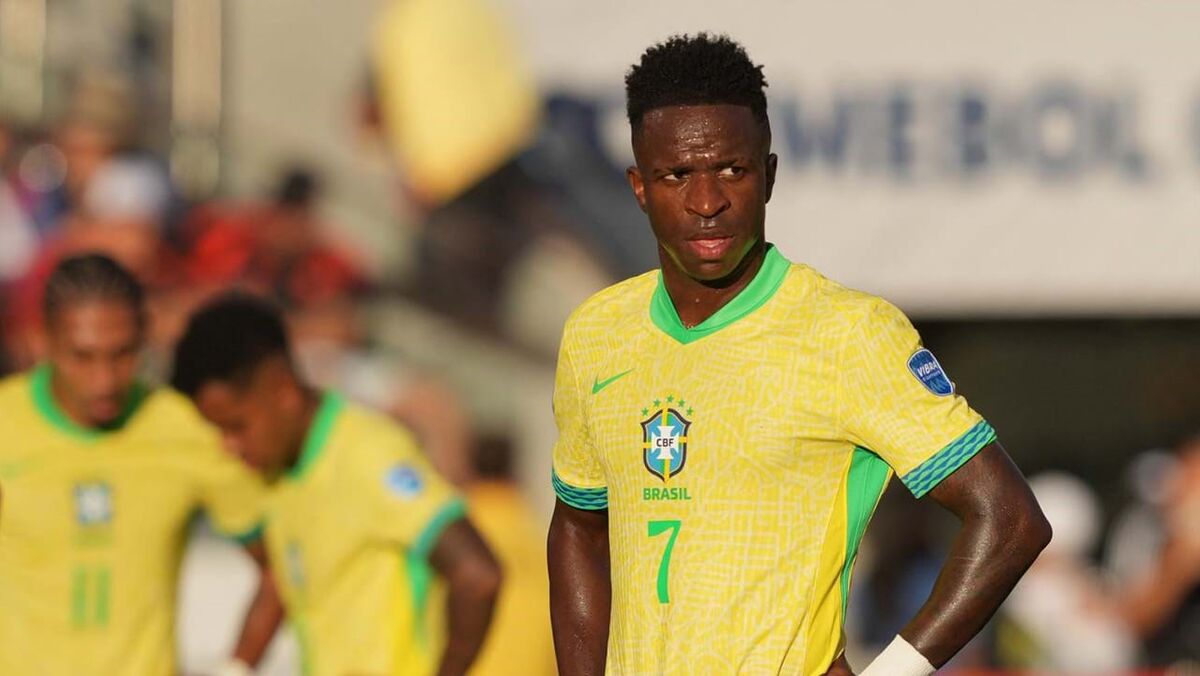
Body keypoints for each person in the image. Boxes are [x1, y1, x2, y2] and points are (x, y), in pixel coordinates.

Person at [546, 33, 1052, 676]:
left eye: (733, 170)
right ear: (640, 186)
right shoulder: (598, 332)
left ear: (770, 175)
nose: (707, 202)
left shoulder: (848, 333)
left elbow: (1010, 519)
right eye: (677, 176)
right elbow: (578, 528)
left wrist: (890, 672)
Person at [171, 293, 502, 676]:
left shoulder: (368, 454)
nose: (228, 446)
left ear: (283, 391)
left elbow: (477, 575)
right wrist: (236, 668)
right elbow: (282, 577)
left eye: (236, 427)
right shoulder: (278, 474)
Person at [0, 254, 278, 675]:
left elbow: (282, 559)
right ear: (42, 342)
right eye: (82, 357)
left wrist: (236, 668)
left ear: (147, 336)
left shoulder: (186, 429)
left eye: (123, 354)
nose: (104, 380)